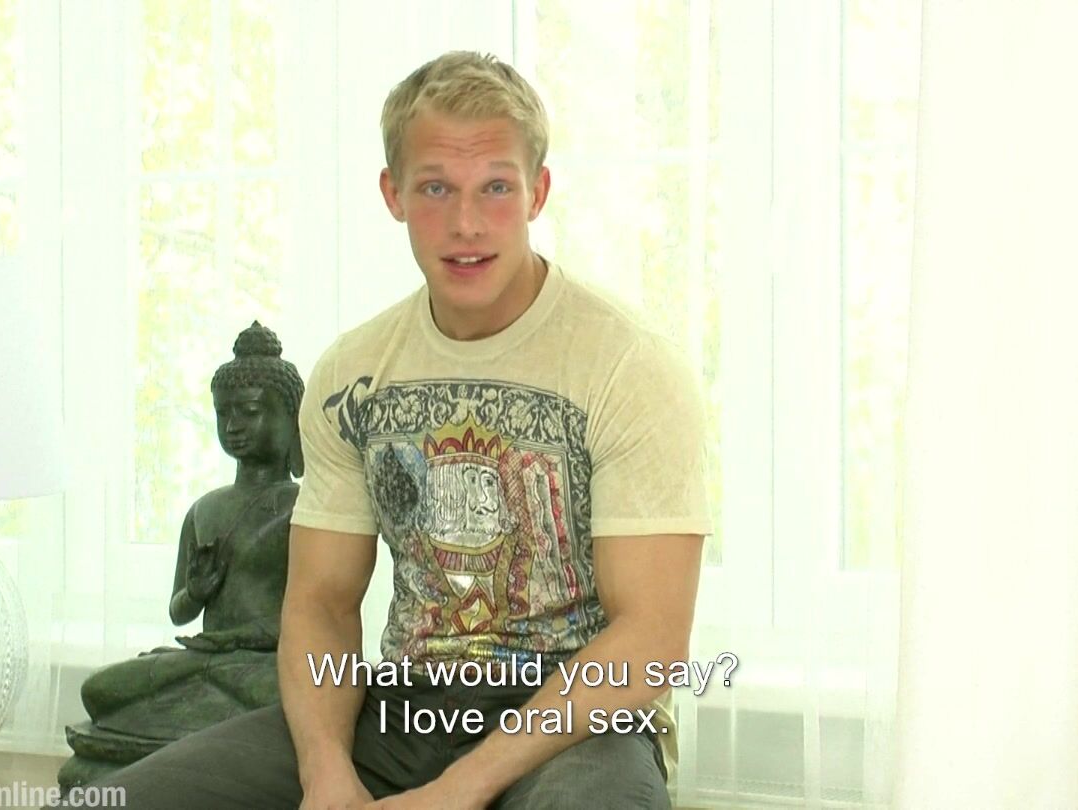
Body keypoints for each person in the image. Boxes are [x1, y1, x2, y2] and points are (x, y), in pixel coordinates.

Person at [85, 50, 710, 810]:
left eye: (496, 188)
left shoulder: (629, 366)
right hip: (400, 712)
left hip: (575, 723)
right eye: (436, 188)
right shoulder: (354, 372)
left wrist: (456, 792)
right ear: (393, 194)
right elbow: (320, 602)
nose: (466, 223)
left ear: (538, 192)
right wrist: (325, 774)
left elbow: (651, 641)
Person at [60, 322, 304, 786]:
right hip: (203, 662)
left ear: (291, 417)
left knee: (293, 698)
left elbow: (320, 615)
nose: (233, 426)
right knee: (100, 690)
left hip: (266, 666)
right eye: (223, 413)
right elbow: (179, 613)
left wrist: (242, 638)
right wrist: (196, 592)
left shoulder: (305, 509)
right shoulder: (204, 509)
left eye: (250, 411)